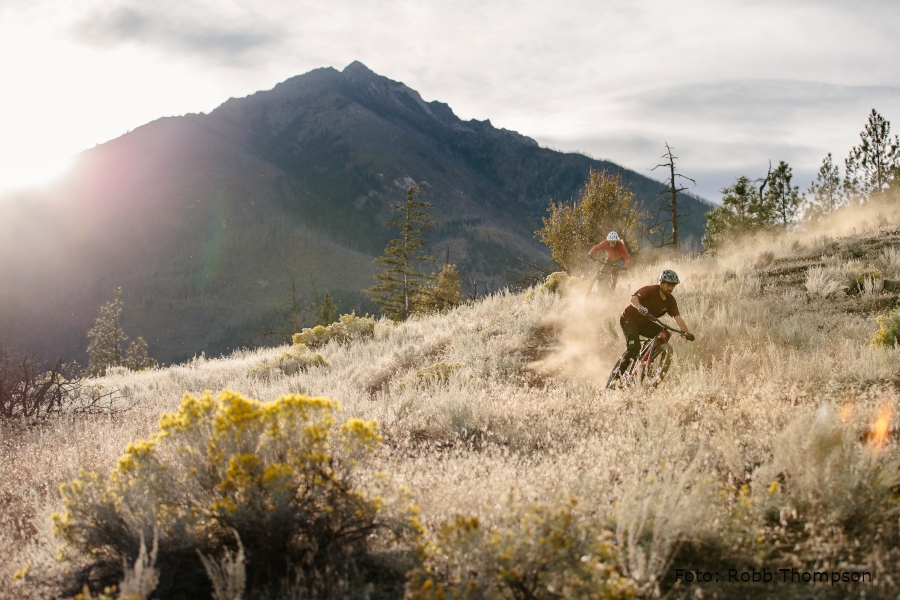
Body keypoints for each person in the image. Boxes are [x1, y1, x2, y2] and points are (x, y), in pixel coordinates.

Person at [615, 269, 695, 377]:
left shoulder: (670, 301)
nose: (671, 288)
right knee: (634, 349)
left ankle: (648, 360)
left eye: (673, 285)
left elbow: (677, 318)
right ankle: (616, 376)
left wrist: (687, 333)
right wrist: (640, 307)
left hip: (644, 323)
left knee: (665, 333)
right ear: (661, 283)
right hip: (629, 320)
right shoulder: (650, 290)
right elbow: (633, 299)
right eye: (669, 285)